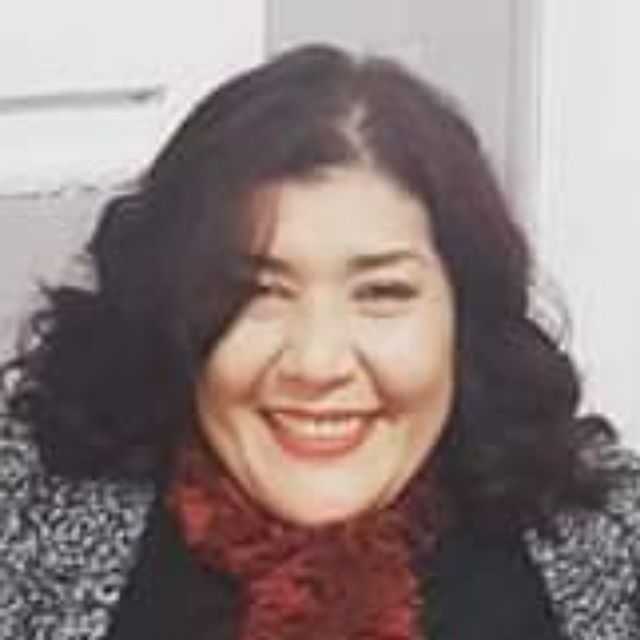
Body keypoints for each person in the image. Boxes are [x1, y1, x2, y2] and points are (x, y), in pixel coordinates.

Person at [1, 44, 639, 640]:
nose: (316, 361)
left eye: (382, 293)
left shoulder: (605, 550)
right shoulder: (26, 530)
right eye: (258, 291)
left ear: (463, 318)